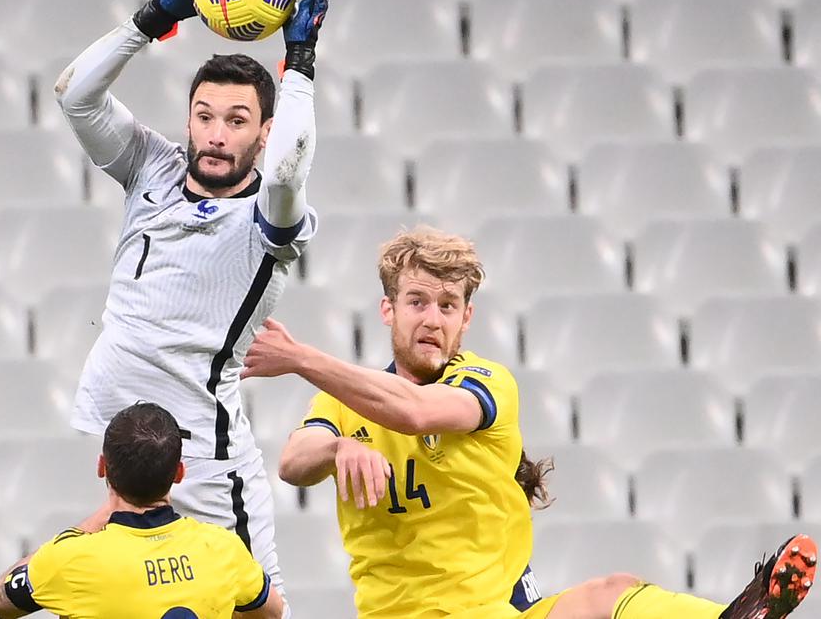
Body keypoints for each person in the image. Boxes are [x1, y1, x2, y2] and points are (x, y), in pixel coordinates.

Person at [242, 225, 817, 619]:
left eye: (448, 306)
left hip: (500, 611)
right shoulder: (346, 403)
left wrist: (301, 359)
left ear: (467, 318)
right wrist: (339, 449)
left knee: (611, 593)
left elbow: (416, 412)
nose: (433, 319)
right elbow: (294, 461)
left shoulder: (486, 383)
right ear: (388, 309)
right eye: (417, 301)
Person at [53, 0, 328, 603]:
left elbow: (290, 166)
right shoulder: (152, 166)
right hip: (126, 448)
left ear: (262, 133)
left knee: (258, 609)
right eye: (204, 115)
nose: (215, 132)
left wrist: (299, 61)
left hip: (204, 460)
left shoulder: (270, 220)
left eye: (236, 120)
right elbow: (75, 95)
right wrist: (151, 18)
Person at [0, 402, 284, 619]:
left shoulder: (70, 558)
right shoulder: (222, 548)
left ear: (102, 467)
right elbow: (272, 612)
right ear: (179, 473)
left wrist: (93, 521)